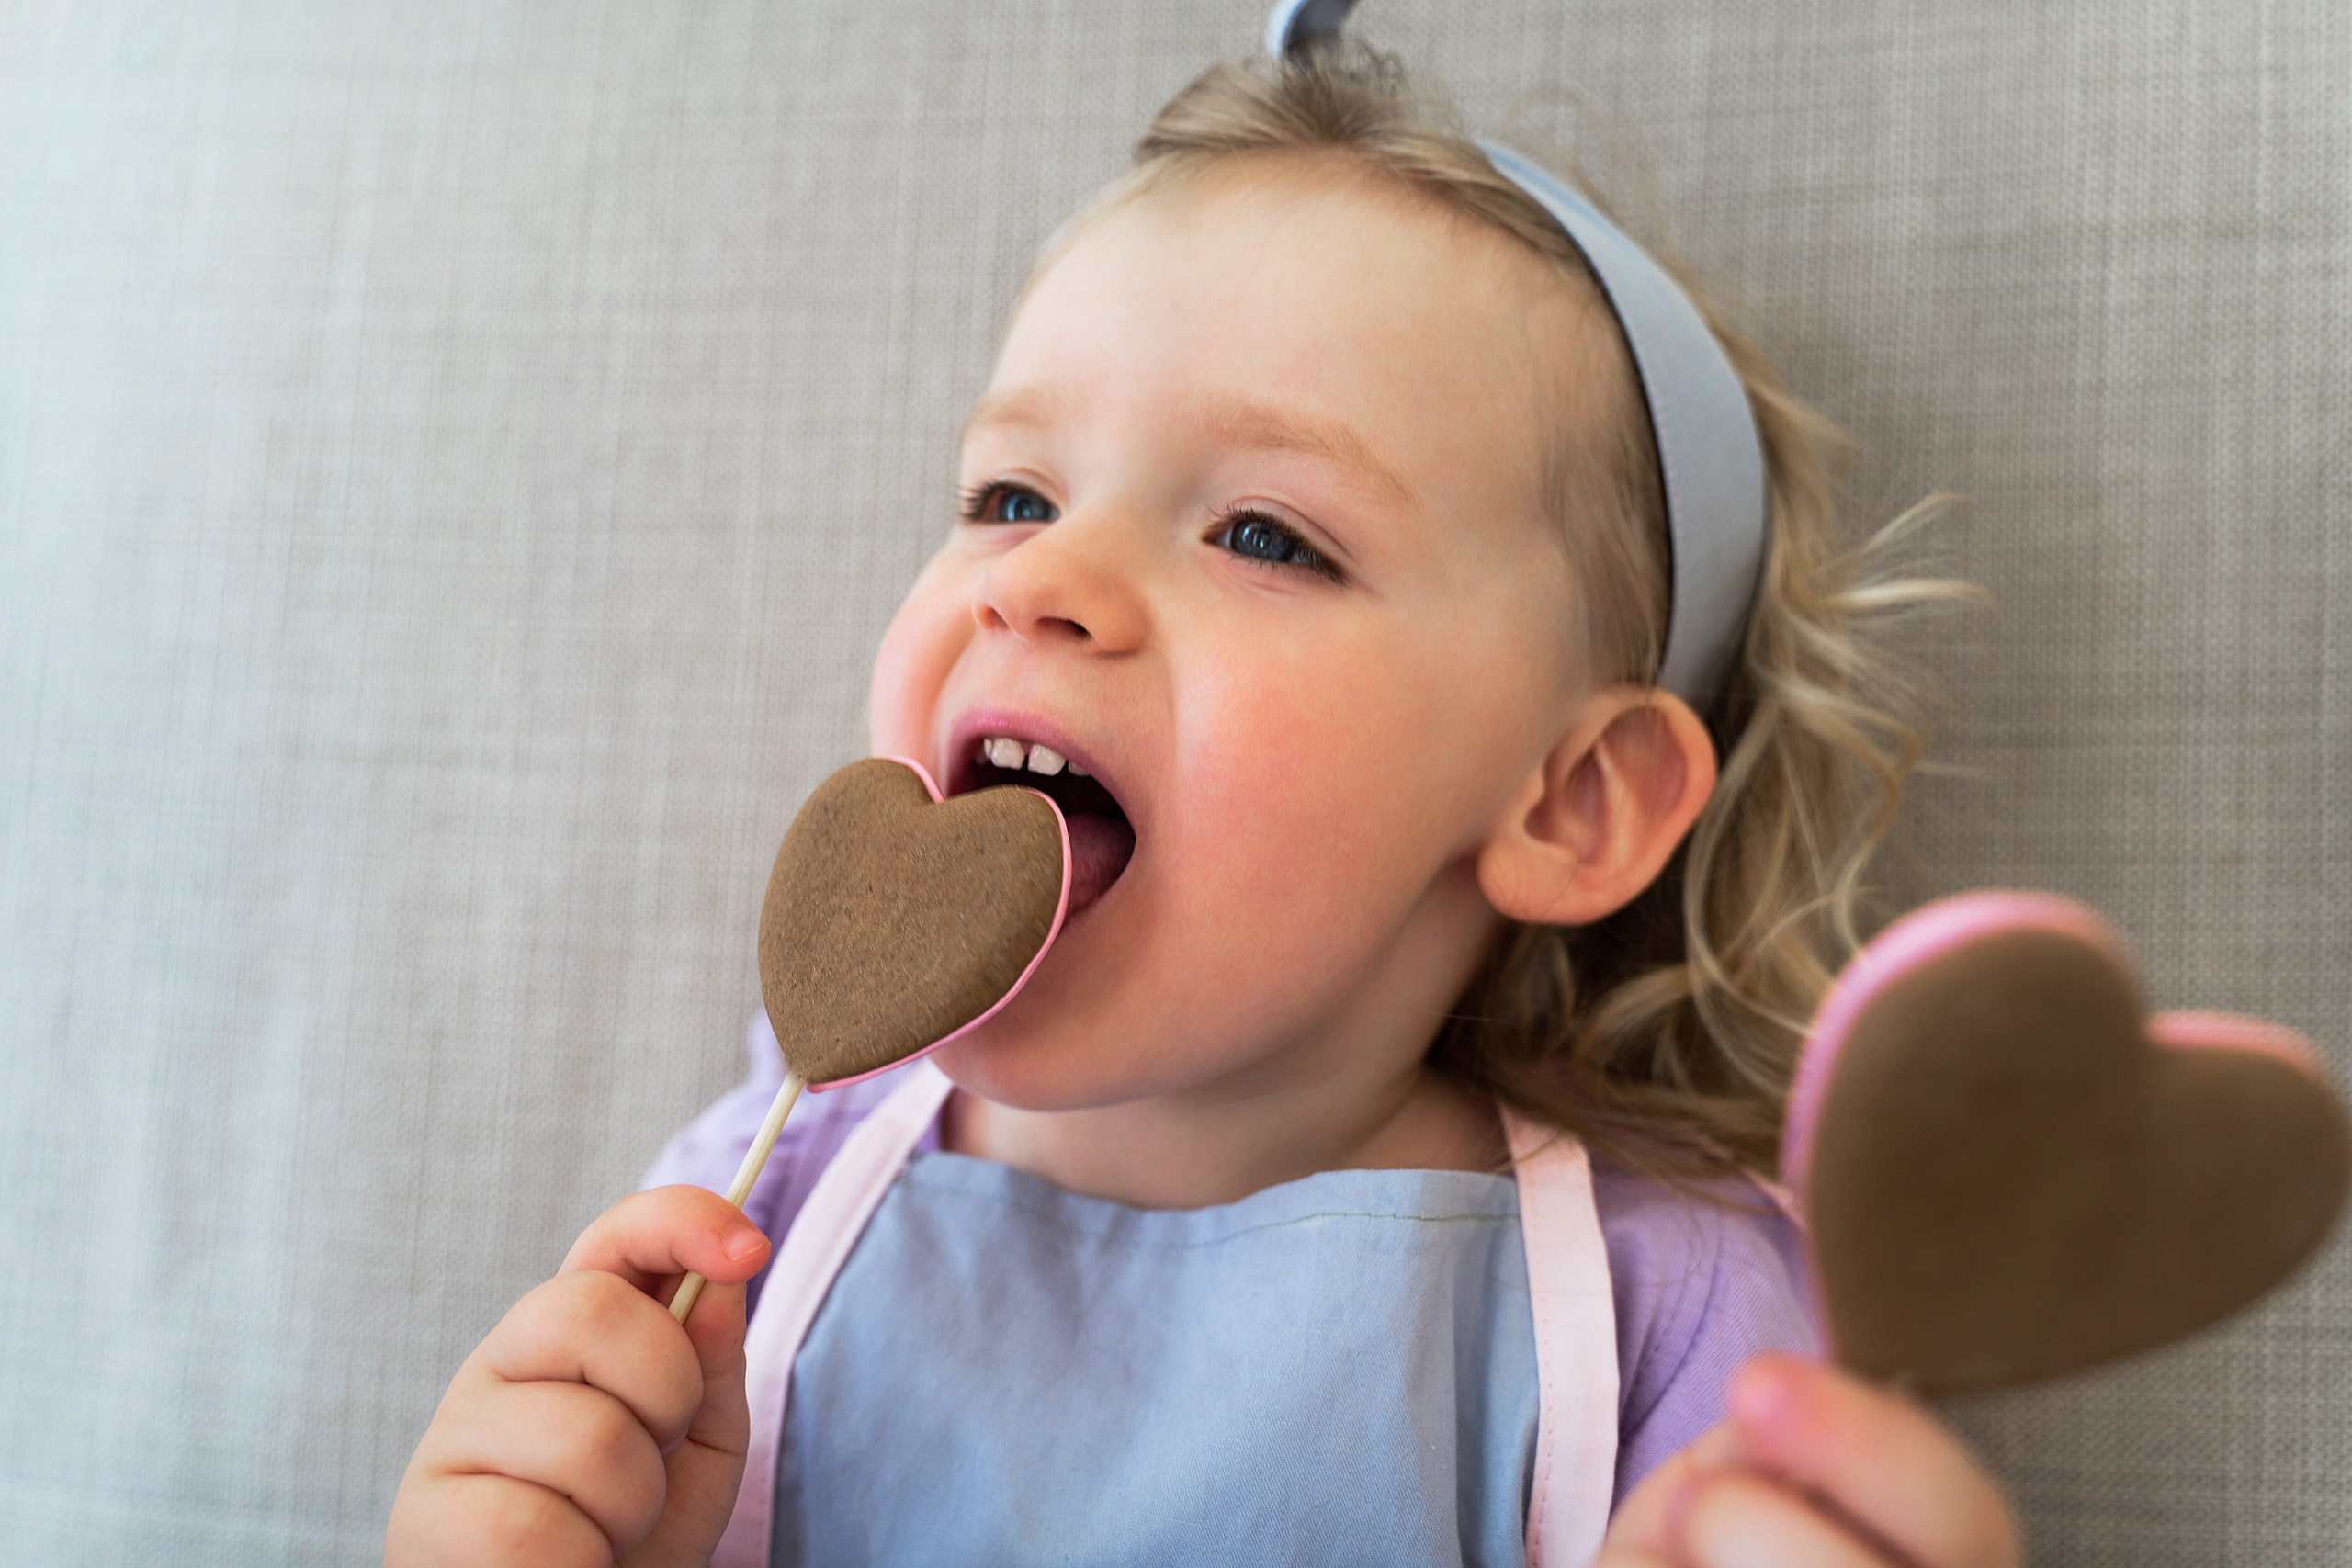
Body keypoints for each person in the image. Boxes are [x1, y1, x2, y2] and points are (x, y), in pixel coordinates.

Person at [386, 31, 2018, 1568]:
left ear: (1571, 801)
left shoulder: (1667, 1323)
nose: (1045, 580)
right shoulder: (769, 1199)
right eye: (1009, 495)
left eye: (1264, 535)